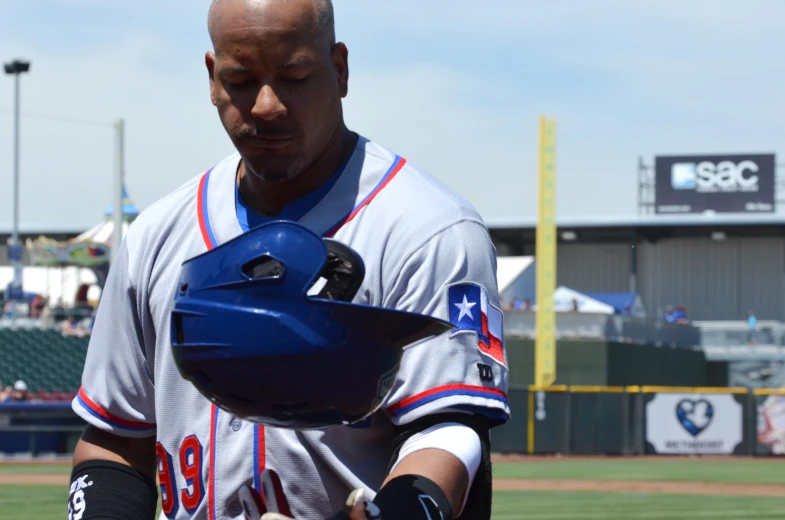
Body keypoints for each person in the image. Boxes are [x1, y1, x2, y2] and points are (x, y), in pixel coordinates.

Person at [68, 1, 509, 520]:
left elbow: (449, 426)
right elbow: (115, 439)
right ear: (212, 79)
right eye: (240, 79)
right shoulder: (156, 236)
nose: (267, 106)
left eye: (295, 76)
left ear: (340, 70)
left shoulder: (428, 228)